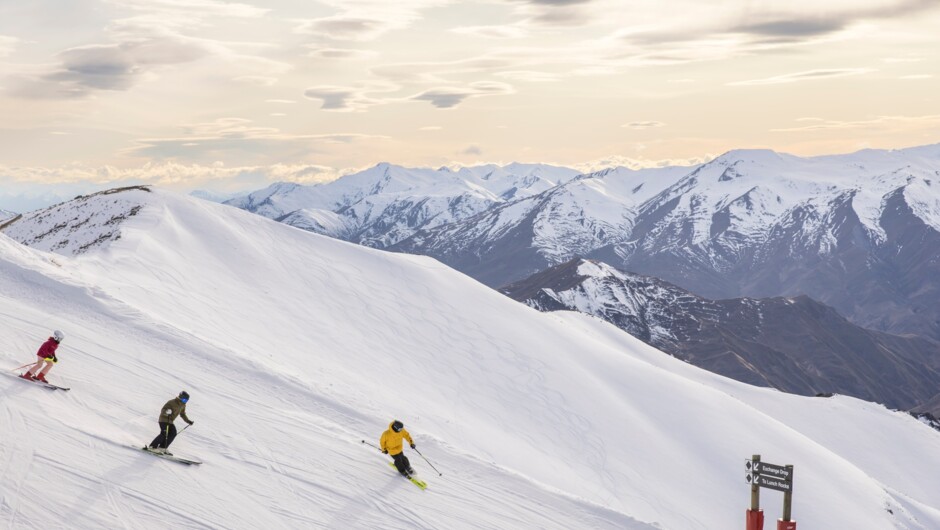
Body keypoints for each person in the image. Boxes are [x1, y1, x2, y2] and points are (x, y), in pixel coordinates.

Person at [147, 391, 195, 455]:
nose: (185, 401)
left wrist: (188, 421)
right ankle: (152, 447)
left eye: (186, 400)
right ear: (180, 397)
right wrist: (167, 412)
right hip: (164, 420)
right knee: (164, 433)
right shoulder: (172, 402)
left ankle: (162, 447)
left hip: (170, 421)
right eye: (184, 399)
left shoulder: (183, 405)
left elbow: (183, 414)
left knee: (173, 433)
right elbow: (163, 409)